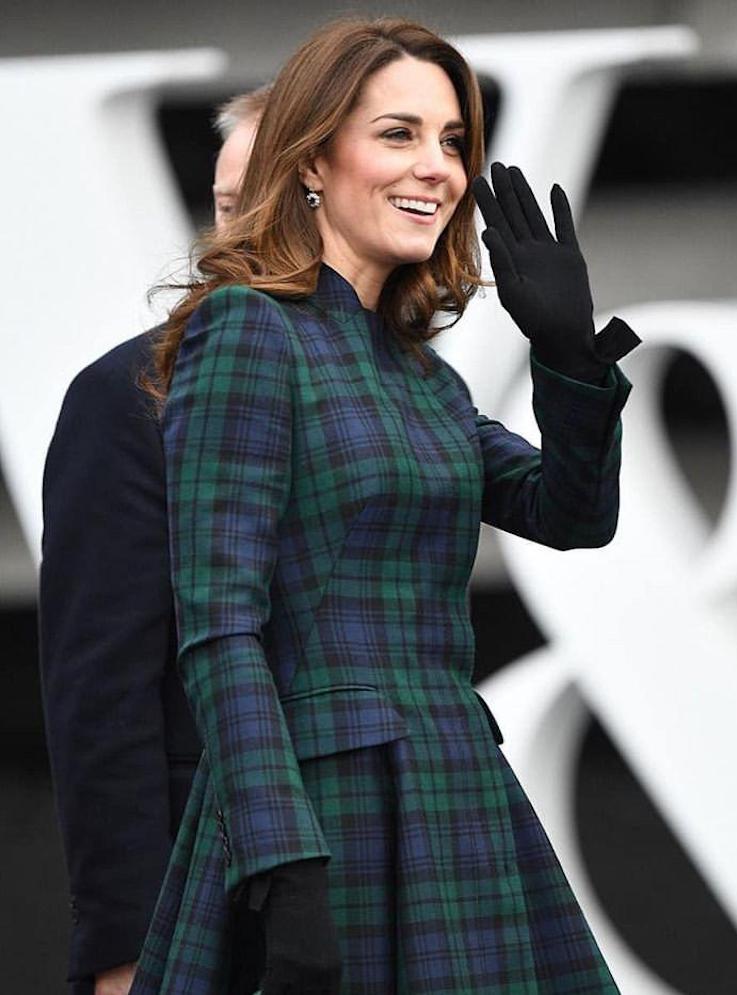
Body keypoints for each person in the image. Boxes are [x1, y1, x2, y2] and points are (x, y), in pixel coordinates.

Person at [130, 17, 639, 995]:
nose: (438, 168)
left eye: (452, 141)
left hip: (456, 786)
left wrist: (568, 358)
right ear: (314, 156)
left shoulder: (418, 374)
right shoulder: (248, 329)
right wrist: (281, 862)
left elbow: (571, 513)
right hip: (327, 809)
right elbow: (218, 622)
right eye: (398, 133)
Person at [38, 85, 270, 995]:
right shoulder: (128, 394)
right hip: (205, 899)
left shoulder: (400, 382)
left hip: (390, 878)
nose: (241, 229)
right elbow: (99, 693)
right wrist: (126, 951)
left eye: (274, 195)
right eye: (225, 203)